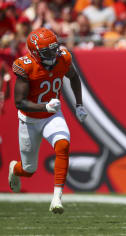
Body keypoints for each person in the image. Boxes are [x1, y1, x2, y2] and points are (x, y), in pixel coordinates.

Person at [9, 28, 88, 214]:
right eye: (48, 51)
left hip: (52, 115)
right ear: (36, 53)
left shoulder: (63, 57)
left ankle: (56, 198)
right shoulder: (26, 66)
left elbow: (74, 77)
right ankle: (15, 169)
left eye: (54, 48)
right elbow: (19, 102)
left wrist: (79, 105)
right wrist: (44, 107)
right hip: (29, 120)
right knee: (29, 169)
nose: (53, 54)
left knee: (63, 145)